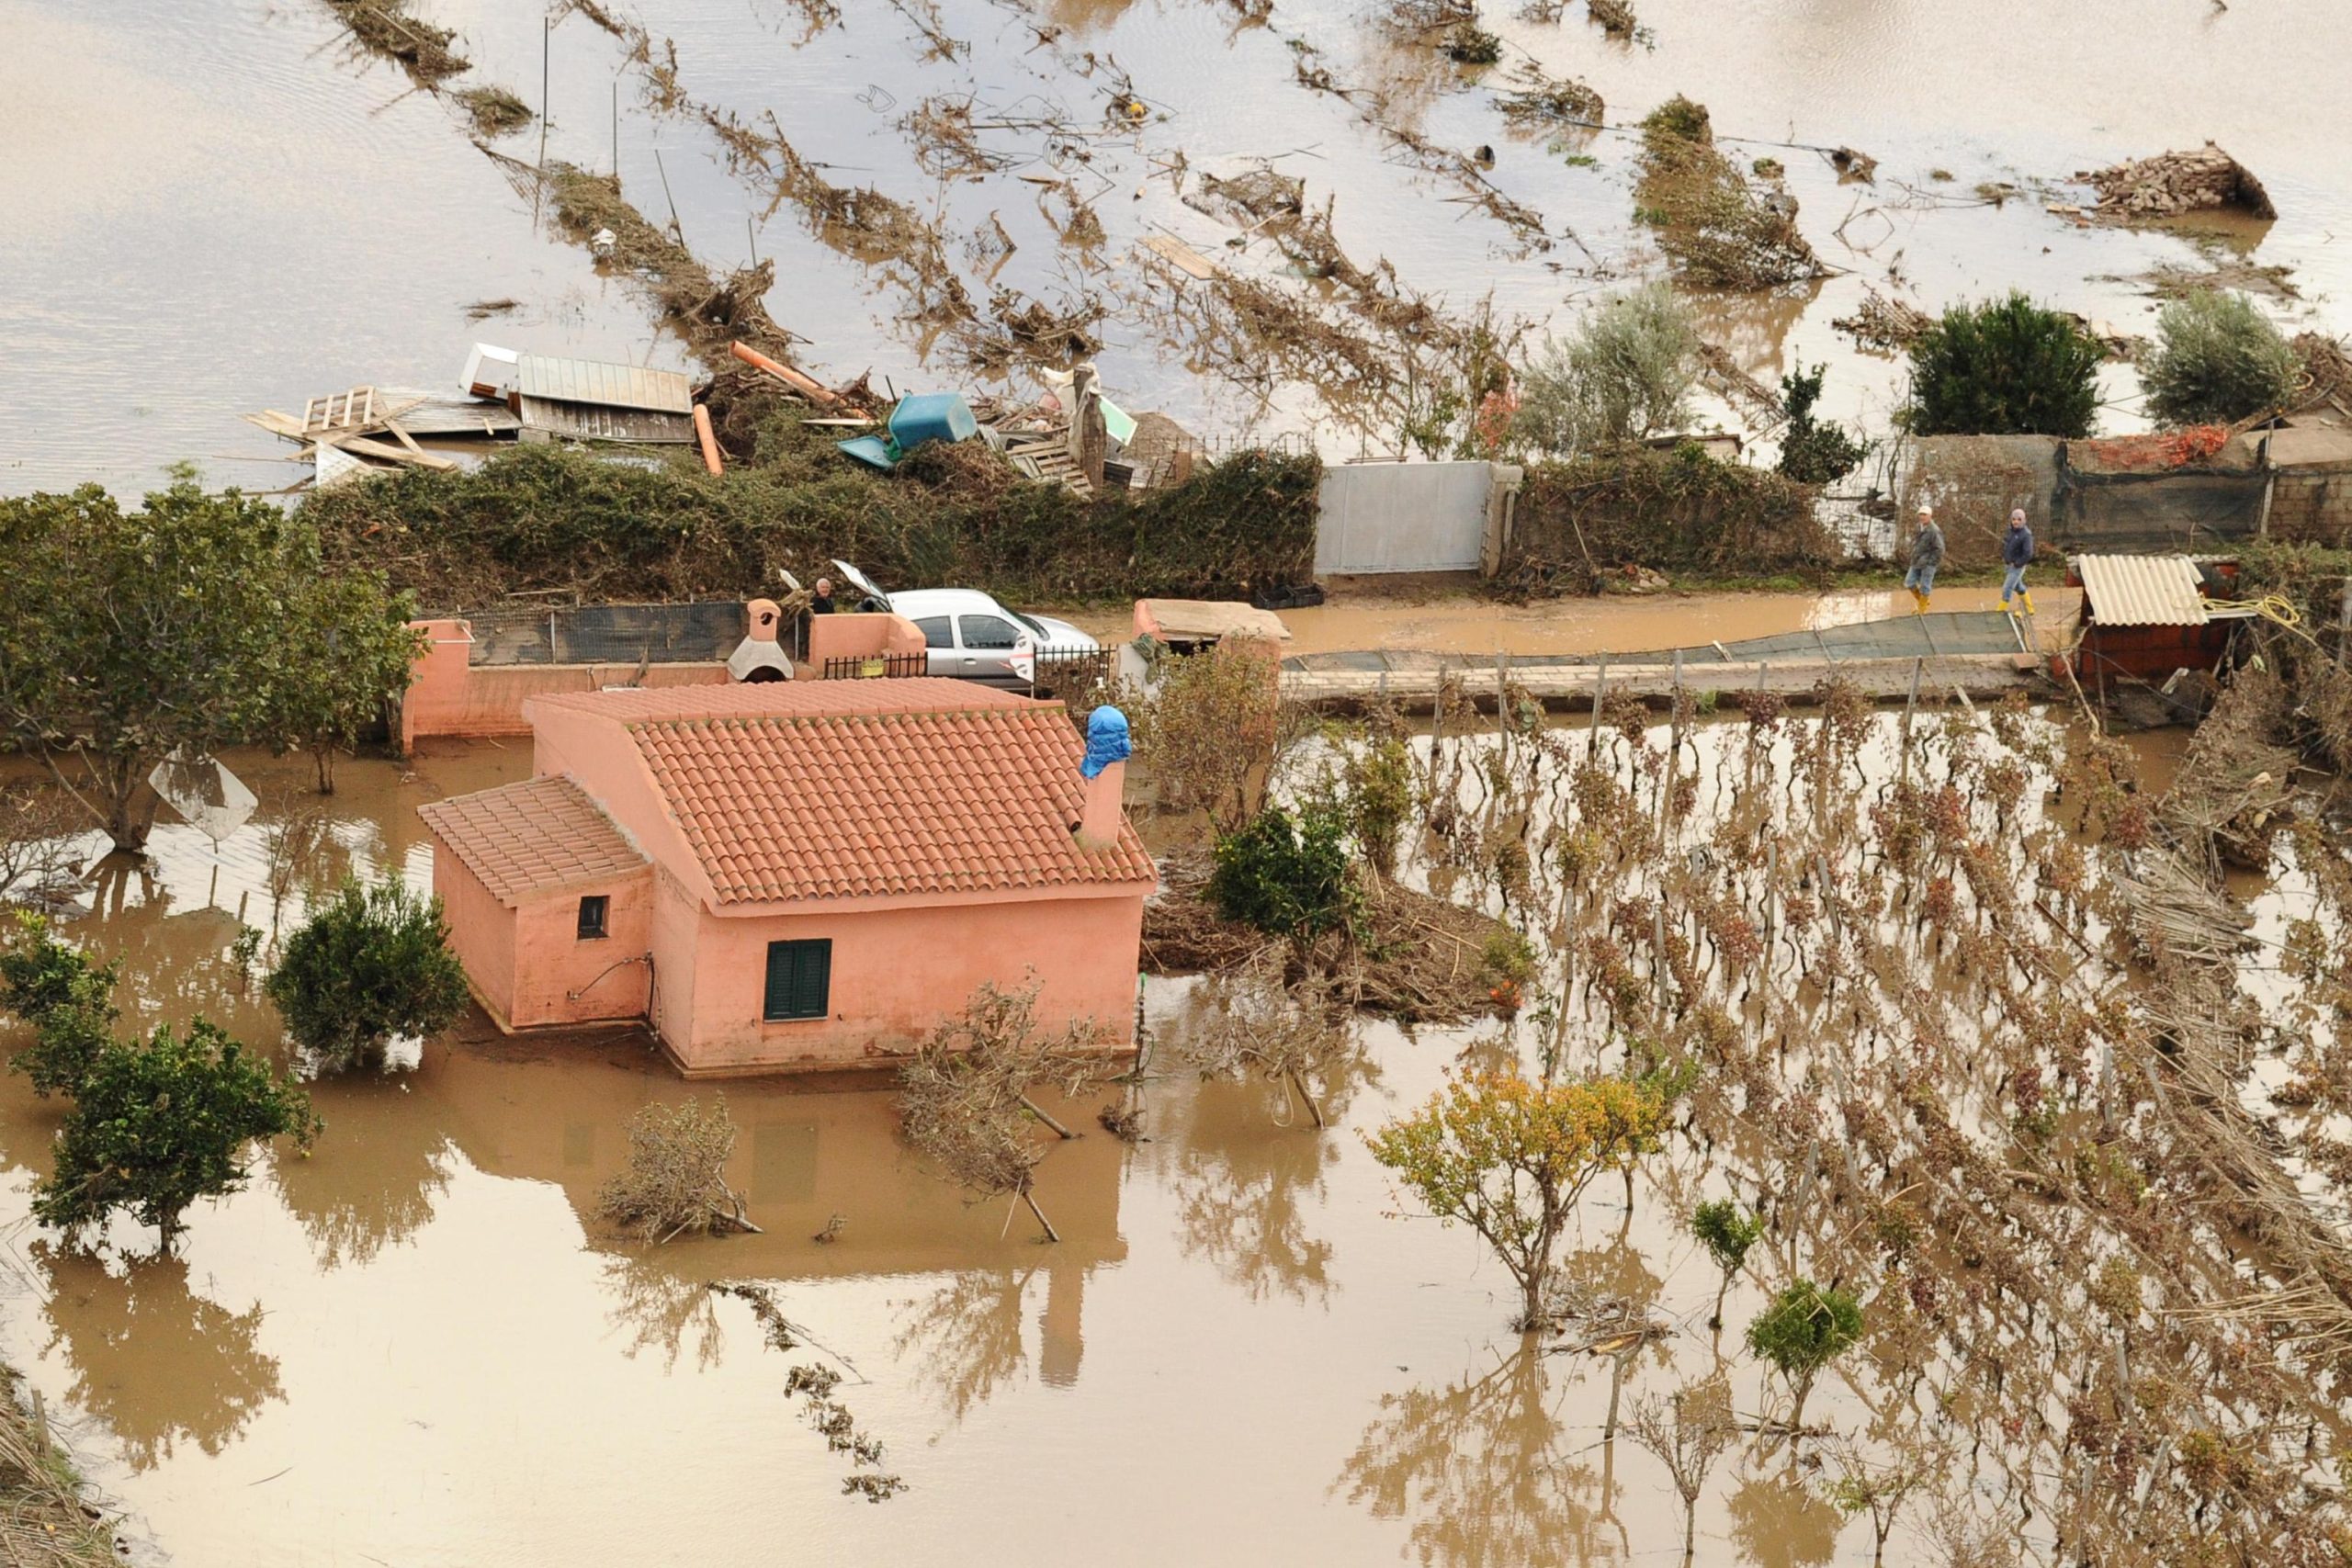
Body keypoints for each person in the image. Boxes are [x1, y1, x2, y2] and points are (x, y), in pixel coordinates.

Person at [1903, 503, 1944, 615]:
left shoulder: (1934, 531)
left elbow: (1940, 549)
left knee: (1925, 587)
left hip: (1928, 564)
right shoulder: (1919, 527)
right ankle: (1924, 602)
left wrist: (1931, 563)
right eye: (1920, 514)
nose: (1922, 517)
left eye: (1924, 515)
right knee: (1909, 582)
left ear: (1930, 516)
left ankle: (1921, 611)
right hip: (1916, 561)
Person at [1999, 508, 2037, 615]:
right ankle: (2030, 609)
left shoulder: (2026, 535)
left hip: (2017, 567)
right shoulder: (2010, 532)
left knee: (2007, 588)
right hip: (2008, 565)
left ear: (2023, 520)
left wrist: (2017, 563)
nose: (2016, 522)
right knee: (2018, 587)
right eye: (2014, 519)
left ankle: (1999, 611)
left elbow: (2028, 553)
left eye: (2019, 519)